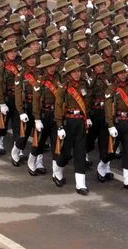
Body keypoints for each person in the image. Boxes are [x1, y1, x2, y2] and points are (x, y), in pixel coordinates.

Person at [53, 59, 90, 195]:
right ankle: (58, 172)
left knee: (80, 152)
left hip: (80, 121)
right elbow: (58, 107)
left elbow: (87, 103)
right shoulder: (63, 88)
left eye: (78, 71)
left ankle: (81, 184)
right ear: (68, 74)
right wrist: (59, 126)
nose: (77, 74)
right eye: (74, 71)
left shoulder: (83, 85)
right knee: (65, 152)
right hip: (68, 122)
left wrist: (88, 117)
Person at [105, 61, 128, 190]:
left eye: (124, 72)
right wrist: (110, 125)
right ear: (115, 75)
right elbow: (108, 108)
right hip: (116, 122)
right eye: (120, 73)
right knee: (111, 151)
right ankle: (102, 166)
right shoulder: (111, 89)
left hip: (127, 122)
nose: (123, 75)